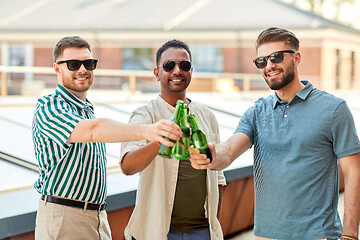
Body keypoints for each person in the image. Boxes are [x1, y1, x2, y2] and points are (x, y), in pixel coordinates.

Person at [189, 27, 360, 240]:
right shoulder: (257, 111)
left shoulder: (334, 109)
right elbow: (229, 150)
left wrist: (350, 234)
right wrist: (209, 155)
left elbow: (354, 173)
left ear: (296, 58)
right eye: (261, 61)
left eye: (276, 57)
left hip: (318, 234)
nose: (269, 66)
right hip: (266, 236)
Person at [32, 36, 182, 240]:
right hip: (65, 216)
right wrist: (149, 131)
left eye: (89, 63)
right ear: (57, 69)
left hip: (97, 216)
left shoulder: (86, 109)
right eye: (73, 64)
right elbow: (94, 130)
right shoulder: (50, 106)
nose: (83, 70)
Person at [120, 39, 226, 240]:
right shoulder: (144, 115)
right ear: (157, 73)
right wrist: (161, 139)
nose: (177, 71)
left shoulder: (207, 116)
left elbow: (218, 178)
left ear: (191, 71)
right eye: (169, 66)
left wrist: (214, 227)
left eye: (184, 66)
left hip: (203, 233)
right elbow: (127, 166)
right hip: (155, 231)